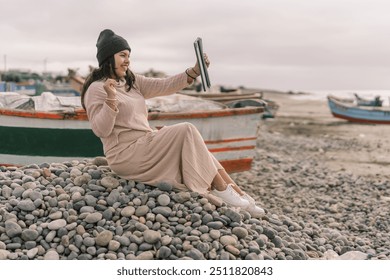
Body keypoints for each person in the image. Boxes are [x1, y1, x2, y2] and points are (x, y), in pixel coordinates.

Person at [81, 29, 265, 218]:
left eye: (129, 55)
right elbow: (100, 130)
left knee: (200, 150)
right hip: (125, 154)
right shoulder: (97, 89)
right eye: (122, 55)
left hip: (146, 143)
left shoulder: (131, 81)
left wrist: (194, 72)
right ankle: (221, 189)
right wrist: (111, 100)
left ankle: (238, 194)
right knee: (186, 130)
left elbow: (164, 85)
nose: (127, 60)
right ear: (107, 57)